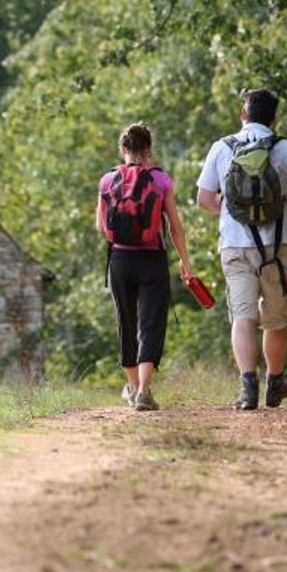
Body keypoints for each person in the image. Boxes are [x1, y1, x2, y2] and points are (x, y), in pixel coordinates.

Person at [196, 89, 287, 410]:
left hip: (234, 245)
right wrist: (282, 209)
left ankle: (247, 387)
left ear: (242, 114)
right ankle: (275, 382)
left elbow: (204, 199)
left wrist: (234, 210)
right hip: (277, 247)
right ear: (274, 119)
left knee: (243, 316)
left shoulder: (222, 148)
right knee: (275, 319)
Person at [97, 122, 193, 411]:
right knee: (151, 324)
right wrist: (185, 263)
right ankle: (144, 390)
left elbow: (102, 227)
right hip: (152, 260)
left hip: (120, 260)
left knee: (126, 322)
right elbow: (175, 228)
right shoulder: (161, 181)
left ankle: (132, 386)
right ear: (149, 149)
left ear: (122, 149)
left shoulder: (107, 181)